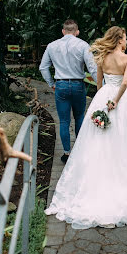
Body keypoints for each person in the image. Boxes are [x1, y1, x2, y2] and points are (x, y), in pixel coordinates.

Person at [45, 26, 127, 229]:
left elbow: (98, 84)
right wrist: (114, 101)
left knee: (97, 142)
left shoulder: (102, 58)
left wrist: (102, 101)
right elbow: (125, 84)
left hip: (102, 97)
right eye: (125, 38)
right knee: (122, 141)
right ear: (119, 40)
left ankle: (94, 182)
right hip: (120, 101)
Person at [39, 19, 97, 164]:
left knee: (64, 121)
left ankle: (66, 153)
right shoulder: (83, 45)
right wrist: (101, 85)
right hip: (78, 85)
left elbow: (43, 67)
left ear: (63, 31)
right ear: (77, 32)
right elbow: (92, 68)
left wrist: (51, 83)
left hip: (61, 85)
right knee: (79, 118)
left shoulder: (52, 46)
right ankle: (80, 151)